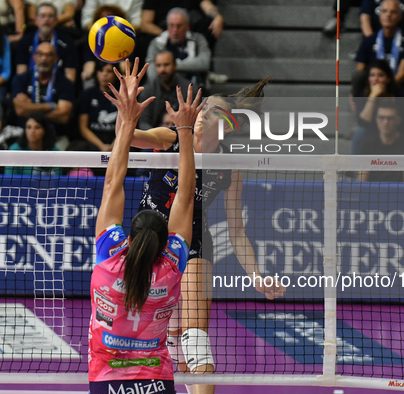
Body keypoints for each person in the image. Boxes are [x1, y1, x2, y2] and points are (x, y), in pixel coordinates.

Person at [114, 59, 285, 394]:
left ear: (229, 126)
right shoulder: (170, 139)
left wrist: (257, 275)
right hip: (148, 239)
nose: (203, 113)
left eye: (213, 111)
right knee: (166, 340)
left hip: (192, 243)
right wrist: (128, 108)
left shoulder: (228, 167)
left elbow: (236, 230)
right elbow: (128, 138)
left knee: (195, 341)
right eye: (203, 107)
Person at [88, 59, 195, 394]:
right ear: (165, 242)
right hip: (156, 381)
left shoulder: (110, 258)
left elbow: (112, 184)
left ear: (128, 238)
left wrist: (128, 119)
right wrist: (186, 133)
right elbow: (186, 197)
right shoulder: (171, 265)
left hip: (107, 380)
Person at [12, 42, 75, 150]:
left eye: (49, 55)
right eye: (40, 54)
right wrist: (50, 106)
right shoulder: (21, 80)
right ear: (34, 57)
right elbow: (20, 110)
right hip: (25, 135)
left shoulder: (65, 83)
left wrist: (31, 108)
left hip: (57, 137)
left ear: (56, 59)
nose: (44, 59)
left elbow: (63, 117)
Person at [350, 59, 404, 154]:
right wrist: (372, 97)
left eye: (380, 75)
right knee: (360, 133)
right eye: (372, 75)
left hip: (397, 133)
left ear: (388, 79)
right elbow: (363, 123)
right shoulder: (364, 95)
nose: (376, 79)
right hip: (374, 135)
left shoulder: (400, 94)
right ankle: (357, 167)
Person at [355, 0, 404, 87]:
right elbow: (360, 71)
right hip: (372, 88)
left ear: (400, 16)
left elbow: (402, 75)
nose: (388, 15)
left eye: (393, 12)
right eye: (384, 11)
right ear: (379, 15)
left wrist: (383, 90)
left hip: (396, 89)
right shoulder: (369, 41)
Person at [146, 8, 211, 85]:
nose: (175, 30)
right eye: (171, 25)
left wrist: (172, 66)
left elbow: (204, 63)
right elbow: (152, 73)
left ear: (188, 26)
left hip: (194, 86)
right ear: (167, 26)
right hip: (164, 88)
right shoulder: (156, 43)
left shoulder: (198, 39)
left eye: (179, 26)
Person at [16, 3, 78, 82]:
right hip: (31, 89)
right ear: (36, 20)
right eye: (42, 16)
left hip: (58, 90)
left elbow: (70, 78)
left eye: (50, 16)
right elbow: (20, 76)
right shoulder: (25, 41)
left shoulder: (67, 42)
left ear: (56, 21)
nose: (46, 19)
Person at [358, 101, 404, 182]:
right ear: (376, 119)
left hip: (399, 192)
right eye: (381, 118)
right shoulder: (367, 145)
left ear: (398, 120)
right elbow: (362, 182)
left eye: (390, 118)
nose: (385, 122)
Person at [138, 50, 197, 130]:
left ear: (175, 65)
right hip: (155, 136)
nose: (162, 69)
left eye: (166, 65)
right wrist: (155, 136)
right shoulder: (148, 90)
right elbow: (143, 122)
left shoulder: (189, 89)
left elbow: (196, 120)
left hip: (183, 133)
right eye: (158, 66)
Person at [79, 60, 119, 152]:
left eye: (109, 71)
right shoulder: (88, 94)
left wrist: (114, 145)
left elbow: (126, 126)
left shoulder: (122, 95)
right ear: (96, 73)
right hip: (93, 141)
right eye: (101, 70)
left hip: (116, 140)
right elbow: (83, 128)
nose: (104, 74)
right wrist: (101, 146)